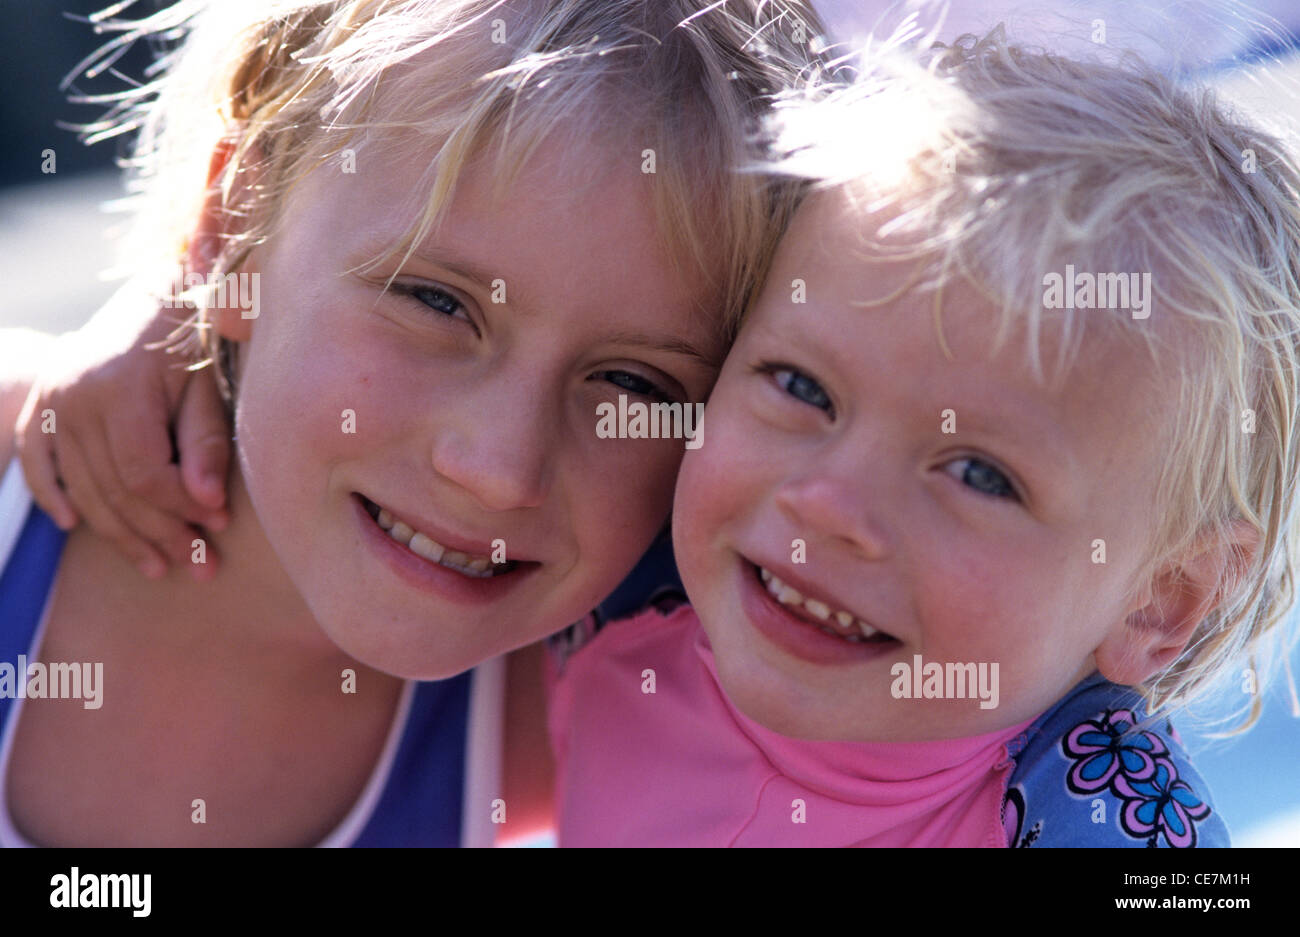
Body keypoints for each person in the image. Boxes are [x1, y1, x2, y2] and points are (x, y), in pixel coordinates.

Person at [0, 0, 822, 846]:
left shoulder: (588, 713)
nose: (499, 468)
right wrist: (181, 290)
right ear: (228, 218)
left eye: (632, 382)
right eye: (435, 301)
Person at [548, 28, 1300, 846]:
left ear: (1160, 597)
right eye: (803, 389)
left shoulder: (1106, 823)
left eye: (978, 473)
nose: (828, 503)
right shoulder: (622, 580)